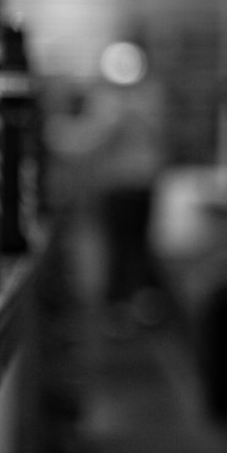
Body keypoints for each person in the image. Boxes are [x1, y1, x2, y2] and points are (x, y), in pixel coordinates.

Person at [70, 37, 170, 331]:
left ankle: (139, 300)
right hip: (114, 186)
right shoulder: (104, 100)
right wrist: (114, 120)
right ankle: (117, 306)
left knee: (139, 245)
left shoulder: (152, 95)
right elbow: (92, 141)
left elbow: (161, 136)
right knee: (117, 247)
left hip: (141, 184)